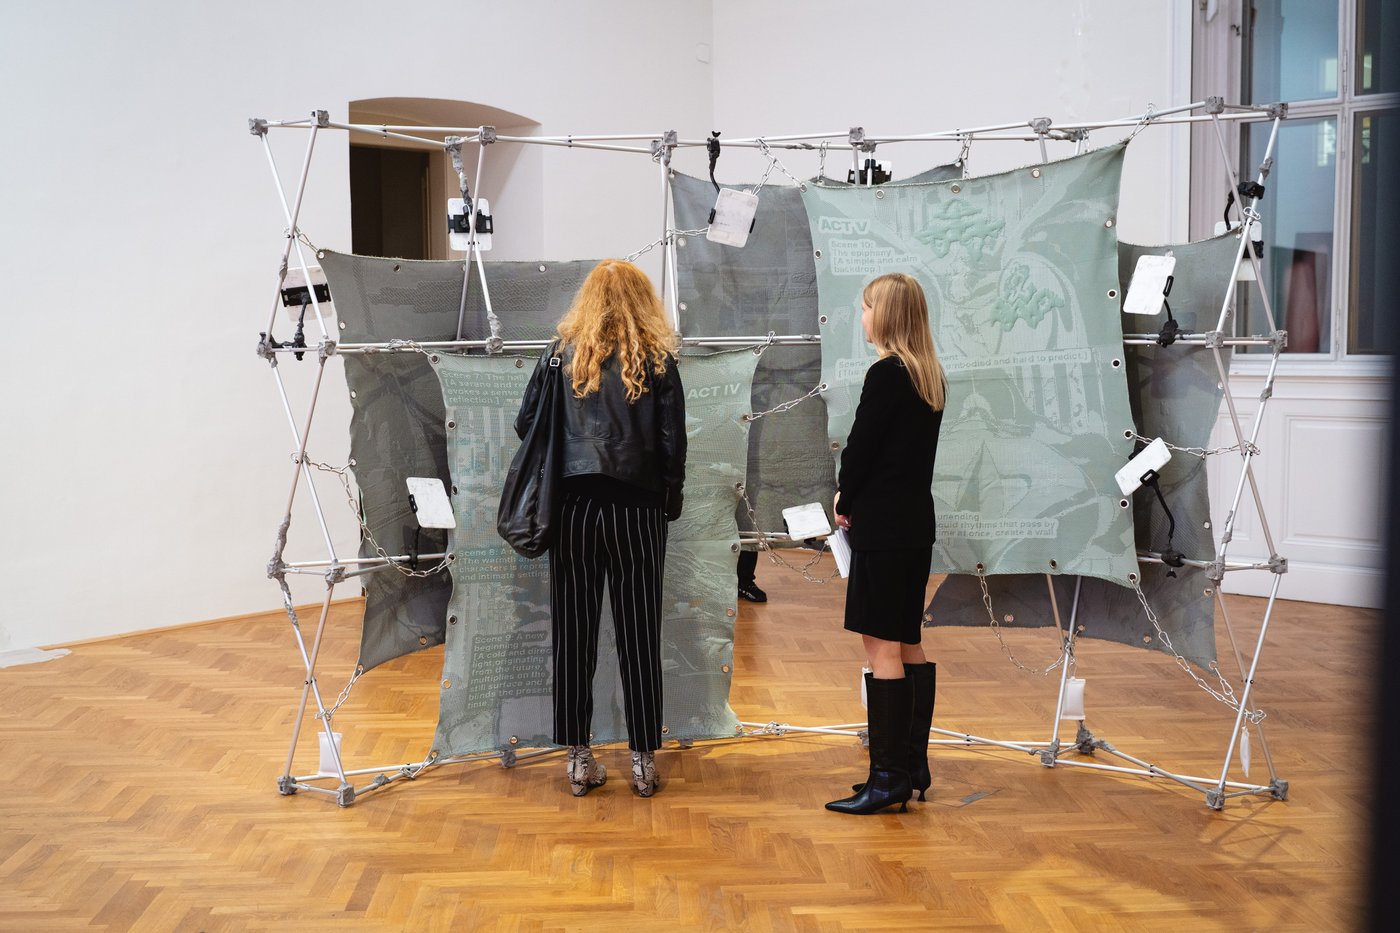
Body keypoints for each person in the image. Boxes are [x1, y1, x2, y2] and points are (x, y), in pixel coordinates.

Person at [514, 259, 687, 798]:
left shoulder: (560, 355)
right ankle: (642, 763)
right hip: (636, 511)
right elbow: (672, 442)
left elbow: (527, 424)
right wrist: (669, 501)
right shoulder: (656, 360)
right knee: (639, 635)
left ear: (587, 300)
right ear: (643, 301)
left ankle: (578, 761)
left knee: (575, 634)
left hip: (573, 510)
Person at [826, 272, 946, 815]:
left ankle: (888, 778)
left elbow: (861, 450)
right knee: (906, 637)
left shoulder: (886, 374)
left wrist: (843, 497)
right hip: (913, 525)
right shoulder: (928, 375)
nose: (862, 316)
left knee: (882, 647)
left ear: (888, 315)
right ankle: (910, 765)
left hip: (882, 525)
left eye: (868, 306)